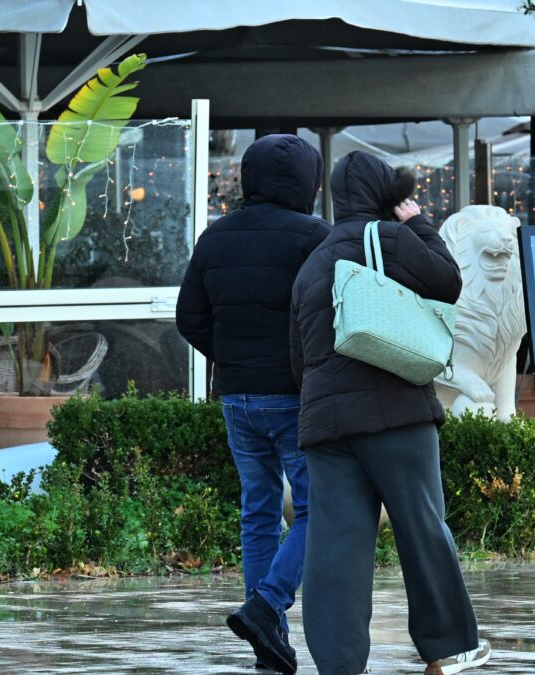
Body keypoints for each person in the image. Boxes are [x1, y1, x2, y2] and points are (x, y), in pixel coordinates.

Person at [290, 151, 492, 675]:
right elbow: (447, 282)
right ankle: (449, 648)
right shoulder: (390, 238)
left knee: (334, 546)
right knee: (422, 526)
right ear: (386, 193)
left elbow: (299, 356)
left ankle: (338, 664)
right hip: (396, 412)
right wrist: (419, 223)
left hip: (326, 425)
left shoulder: (313, 261)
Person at [177, 133, 330, 674]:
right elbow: (331, 314)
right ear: (308, 181)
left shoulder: (214, 237)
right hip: (294, 397)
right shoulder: (314, 237)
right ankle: (267, 605)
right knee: (318, 509)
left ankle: (269, 642)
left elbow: (189, 318)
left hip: (237, 397)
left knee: (259, 509)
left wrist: (233, 358)